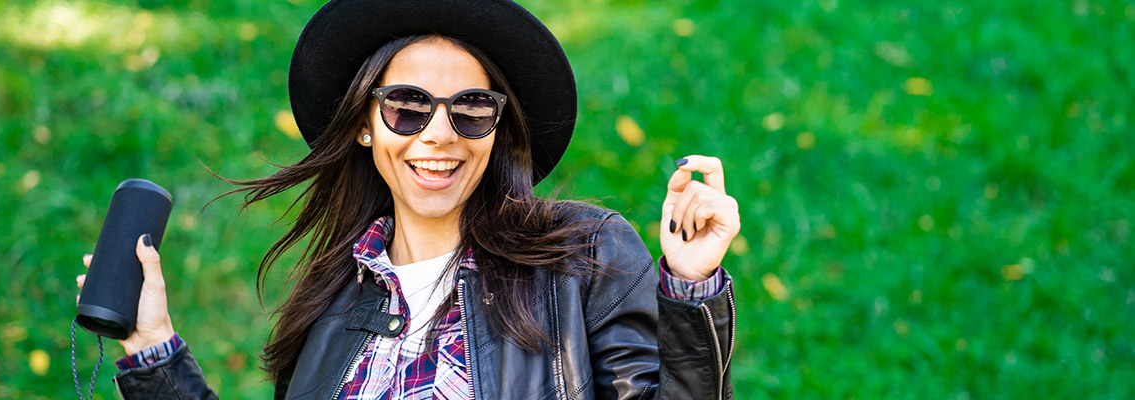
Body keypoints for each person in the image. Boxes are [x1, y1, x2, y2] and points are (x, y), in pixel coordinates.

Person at [76, 0, 741, 398]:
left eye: (471, 109)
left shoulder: (584, 257)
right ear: (365, 124)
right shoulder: (330, 312)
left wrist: (690, 287)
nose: (440, 134)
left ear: (498, 128)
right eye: (407, 107)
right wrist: (153, 345)